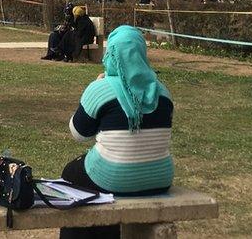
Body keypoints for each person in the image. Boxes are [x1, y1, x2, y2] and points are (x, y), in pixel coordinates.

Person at [60, 25, 173, 239]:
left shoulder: (102, 88)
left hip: (112, 177)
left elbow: (78, 133)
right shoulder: (162, 91)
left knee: (70, 173)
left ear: (110, 54)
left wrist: (93, 89)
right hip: (160, 178)